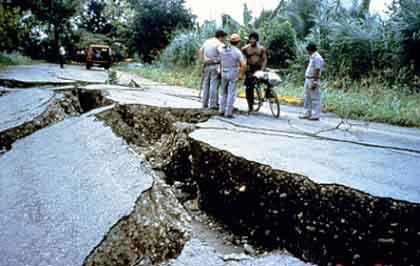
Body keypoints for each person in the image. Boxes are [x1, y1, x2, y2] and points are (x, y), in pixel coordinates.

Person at [218, 33, 247, 118]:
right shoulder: (237, 52)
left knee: (223, 92)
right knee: (231, 93)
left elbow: (219, 61)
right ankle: (228, 113)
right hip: (233, 72)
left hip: (223, 71)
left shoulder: (222, 49)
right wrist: (241, 74)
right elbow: (244, 65)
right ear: (238, 42)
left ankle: (221, 110)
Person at [199, 29, 227, 109]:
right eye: (224, 38)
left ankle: (204, 104)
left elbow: (200, 51)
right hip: (215, 65)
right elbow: (224, 54)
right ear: (221, 37)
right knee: (213, 85)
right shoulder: (219, 44)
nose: (224, 40)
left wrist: (203, 61)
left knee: (206, 84)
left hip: (206, 65)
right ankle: (213, 104)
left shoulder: (207, 41)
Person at [241, 32, 267, 114]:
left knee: (268, 81)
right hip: (250, 69)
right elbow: (242, 59)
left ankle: (268, 96)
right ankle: (250, 106)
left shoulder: (261, 49)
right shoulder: (245, 49)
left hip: (259, 69)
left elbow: (265, 59)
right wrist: (244, 68)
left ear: (256, 40)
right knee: (249, 87)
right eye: (251, 39)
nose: (252, 40)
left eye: (254, 39)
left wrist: (262, 69)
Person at [299, 43, 325, 121]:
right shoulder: (312, 57)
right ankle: (306, 113)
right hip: (308, 79)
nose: (307, 52)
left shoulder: (317, 58)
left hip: (313, 79)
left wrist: (314, 81)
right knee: (307, 97)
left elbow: (317, 70)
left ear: (310, 50)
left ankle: (315, 115)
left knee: (315, 98)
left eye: (308, 50)